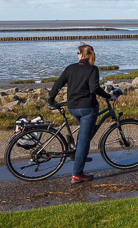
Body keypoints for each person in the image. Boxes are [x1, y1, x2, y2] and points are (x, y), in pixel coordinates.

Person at [47, 44, 116, 184]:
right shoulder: (92, 69)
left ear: (80, 55)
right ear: (90, 55)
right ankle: (77, 174)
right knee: (84, 140)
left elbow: (57, 85)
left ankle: (80, 155)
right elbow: (94, 88)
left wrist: (50, 101)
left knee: (85, 134)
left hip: (72, 108)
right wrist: (109, 97)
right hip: (88, 109)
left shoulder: (70, 68)